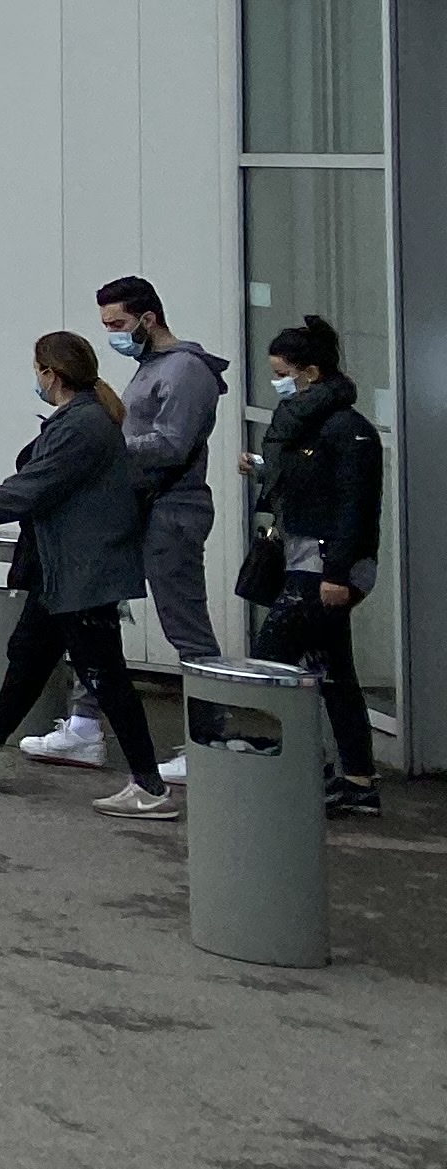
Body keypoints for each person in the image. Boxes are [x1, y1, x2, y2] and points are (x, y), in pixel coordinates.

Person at [0, 331, 179, 816]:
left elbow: (34, 486)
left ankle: (150, 787)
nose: (36, 379)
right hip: (64, 571)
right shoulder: (83, 418)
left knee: (106, 676)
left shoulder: (82, 425)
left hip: (82, 572)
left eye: (37, 370)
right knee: (30, 655)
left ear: (51, 374)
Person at [22, 276, 224, 783]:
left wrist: (103, 448)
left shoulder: (184, 370)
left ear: (147, 319)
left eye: (117, 324)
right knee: (98, 613)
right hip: (138, 506)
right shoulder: (154, 368)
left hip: (171, 511)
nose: (112, 333)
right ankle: (85, 725)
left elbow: (172, 445)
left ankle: (209, 742)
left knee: (184, 625)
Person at [245, 315, 387, 820]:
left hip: (323, 565)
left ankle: (308, 767)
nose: (278, 384)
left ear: (310, 372)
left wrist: (336, 573)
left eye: (282, 374)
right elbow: (317, 483)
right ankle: (355, 779)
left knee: (274, 660)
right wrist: (265, 470)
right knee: (332, 670)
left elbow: (353, 506)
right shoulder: (316, 424)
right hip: (312, 560)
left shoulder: (344, 429)